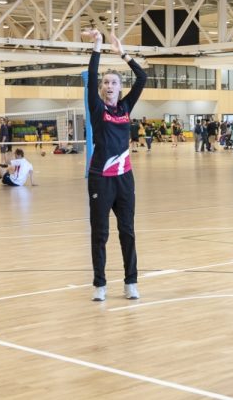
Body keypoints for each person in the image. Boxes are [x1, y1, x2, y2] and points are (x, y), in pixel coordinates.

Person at [82, 28, 147, 302]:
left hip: (125, 179)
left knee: (127, 232)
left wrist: (123, 52)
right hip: (100, 178)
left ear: (120, 88)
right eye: (105, 83)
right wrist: (97, 46)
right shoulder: (98, 110)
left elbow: (142, 77)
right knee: (100, 233)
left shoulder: (125, 108)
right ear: (101, 89)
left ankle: (130, 282)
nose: (109, 86)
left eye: (114, 82)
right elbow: (90, 80)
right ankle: (100, 284)